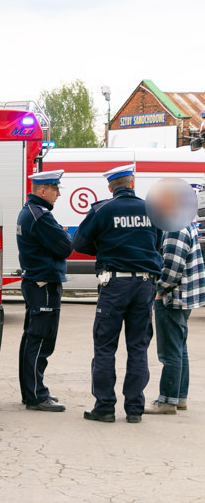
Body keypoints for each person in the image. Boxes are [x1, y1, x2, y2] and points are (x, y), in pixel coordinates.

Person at [72, 164, 162, 424]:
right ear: (132, 184)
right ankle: (135, 409)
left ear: (110, 187)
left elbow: (78, 243)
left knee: (105, 347)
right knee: (138, 348)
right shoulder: (151, 209)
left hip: (114, 285)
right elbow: (156, 243)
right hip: (145, 285)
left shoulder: (102, 209)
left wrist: (104, 248)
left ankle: (105, 407)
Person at [16, 170, 72, 412]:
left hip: (36, 282)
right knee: (40, 341)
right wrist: (65, 233)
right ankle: (36, 396)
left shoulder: (30, 212)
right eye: (55, 189)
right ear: (42, 191)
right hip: (44, 283)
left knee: (32, 339)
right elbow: (65, 247)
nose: (58, 194)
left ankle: (32, 392)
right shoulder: (41, 217)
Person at [145, 219, 205, 414]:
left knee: (169, 351)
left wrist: (160, 290)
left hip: (173, 297)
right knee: (179, 347)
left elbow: (172, 266)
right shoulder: (186, 223)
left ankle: (167, 401)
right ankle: (179, 397)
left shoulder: (174, 227)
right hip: (185, 295)